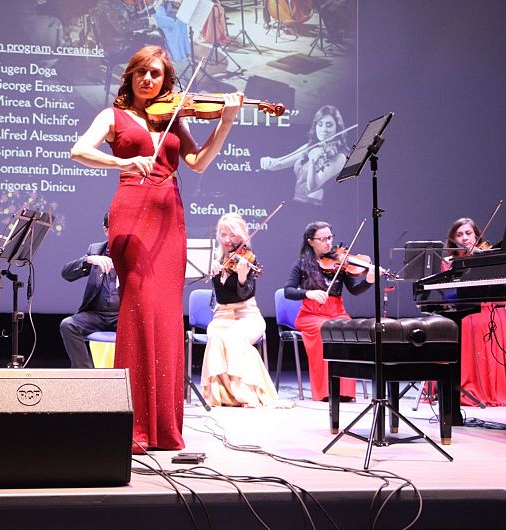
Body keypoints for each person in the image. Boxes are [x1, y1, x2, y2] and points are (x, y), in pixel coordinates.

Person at [70, 45, 243, 452]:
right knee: (140, 308)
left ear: (166, 81)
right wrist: (123, 163)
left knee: (165, 316)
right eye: (142, 72)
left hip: (170, 218)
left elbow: (197, 162)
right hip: (132, 213)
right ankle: (134, 425)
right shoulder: (113, 117)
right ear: (130, 76)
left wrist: (227, 121)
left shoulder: (173, 118)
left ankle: (164, 427)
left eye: (156, 74)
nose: (148, 79)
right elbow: (79, 151)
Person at [200, 213, 291, 408]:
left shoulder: (249, 259)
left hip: (248, 315)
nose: (227, 240)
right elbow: (222, 297)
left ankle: (247, 393)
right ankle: (223, 396)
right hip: (221, 317)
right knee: (216, 338)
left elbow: (244, 295)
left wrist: (242, 278)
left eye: (233, 235)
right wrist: (211, 270)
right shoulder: (215, 260)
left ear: (242, 235)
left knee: (236, 339)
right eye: (223, 234)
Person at [283, 221, 375, 402]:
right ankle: (325, 391)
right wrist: (308, 293)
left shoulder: (340, 262)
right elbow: (288, 291)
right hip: (311, 315)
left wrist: (368, 281)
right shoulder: (302, 264)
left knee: (349, 330)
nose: (328, 243)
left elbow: (354, 290)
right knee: (323, 329)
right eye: (322, 239)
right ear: (310, 241)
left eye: (330, 238)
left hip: (337, 312)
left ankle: (345, 392)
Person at [444, 217, 506, 406]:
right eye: (459, 235)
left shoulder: (488, 256)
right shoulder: (448, 262)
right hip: (463, 309)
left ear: (477, 235)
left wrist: (480, 259)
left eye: (468, 233)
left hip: (489, 308)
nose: (465, 238)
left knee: (491, 320)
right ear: (453, 239)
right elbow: (448, 295)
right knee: (468, 321)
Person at [60, 212, 119, 369]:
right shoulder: (96, 250)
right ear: (106, 230)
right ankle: (86, 374)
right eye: (115, 228)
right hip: (96, 314)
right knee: (68, 325)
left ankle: (132, 376)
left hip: (122, 315)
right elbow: (67, 273)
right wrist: (88, 260)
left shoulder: (133, 253)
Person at [259, 105, 350, 206]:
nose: (324, 129)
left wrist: (312, 163)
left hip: (314, 205)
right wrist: (268, 160)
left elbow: (312, 187)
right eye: (320, 124)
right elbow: (278, 164)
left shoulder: (339, 156)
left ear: (337, 128)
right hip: (298, 201)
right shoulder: (310, 147)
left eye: (329, 125)